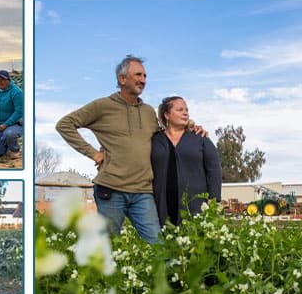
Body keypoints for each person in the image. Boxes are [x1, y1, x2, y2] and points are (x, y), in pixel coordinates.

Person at [56, 55, 162, 242]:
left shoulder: (148, 112)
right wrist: (93, 153)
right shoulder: (102, 106)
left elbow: (165, 135)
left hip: (143, 191)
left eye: (145, 76)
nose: (143, 80)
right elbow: (65, 124)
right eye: (138, 74)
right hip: (111, 189)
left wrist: (191, 126)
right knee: (110, 247)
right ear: (122, 79)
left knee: (157, 245)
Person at [151, 96, 222, 227]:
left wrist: (214, 199)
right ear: (166, 114)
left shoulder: (200, 138)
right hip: (160, 207)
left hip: (195, 206)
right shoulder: (155, 140)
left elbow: (214, 170)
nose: (185, 113)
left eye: (186, 110)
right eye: (180, 110)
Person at [0, 70, 23, 159]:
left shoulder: (16, 92)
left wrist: (6, 124)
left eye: (3, 79)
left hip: (15, 123)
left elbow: (19, 112)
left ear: (9, 80)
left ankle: (15, 149)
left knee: (10, 134)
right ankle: (6, 144)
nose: (1, 82)